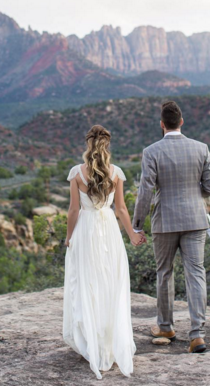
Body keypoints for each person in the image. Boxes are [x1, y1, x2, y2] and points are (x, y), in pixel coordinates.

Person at [132, 100, 210, 354]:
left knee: (164, 273)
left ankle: (166, 326)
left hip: (165, 222)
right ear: (181, 122)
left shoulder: (151, 151)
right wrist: (193, 192)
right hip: (195, 220)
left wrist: (138, 224)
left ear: (162, 124)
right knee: (196, 274)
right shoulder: (201, 149)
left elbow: (146, 190)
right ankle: (197, 335)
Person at [63, 125, 143, 380]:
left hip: (86, 230)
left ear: (88, 143)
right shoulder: (116, 173)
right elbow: (121, 209)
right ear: (107, 145)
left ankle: (92, 342)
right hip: (109, 230)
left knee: (87, 284)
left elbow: (74, 210)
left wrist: (68, 237)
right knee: (111, 284)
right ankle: (108, 344)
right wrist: (131, 235)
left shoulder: (77, 173)